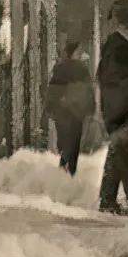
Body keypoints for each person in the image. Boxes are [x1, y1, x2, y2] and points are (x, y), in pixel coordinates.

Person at [95, 25, 128, 214]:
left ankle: (109, 199)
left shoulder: (110, 55)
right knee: (121, 152)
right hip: (119, 111)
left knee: (119, 151)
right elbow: (126, 82)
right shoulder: (120, 51)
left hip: (116, 111)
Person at [48, 40, 94, 177]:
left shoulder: (59, 68)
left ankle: (63, 169)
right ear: (75, 52)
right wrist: (90, 109)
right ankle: (69, 171)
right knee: (74, 141)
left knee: (64, 140)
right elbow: (88, 90)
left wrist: (51, 108)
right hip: (76, 111)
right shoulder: (81, 69)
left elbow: (52, 90)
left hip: (61, 111)